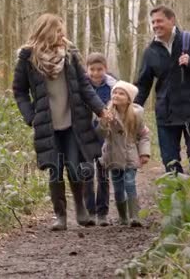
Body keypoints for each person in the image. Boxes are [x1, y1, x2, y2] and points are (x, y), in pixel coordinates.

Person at [12, 13, 110, 231]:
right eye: (58, 30)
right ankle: (60, 216)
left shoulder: (70, 54)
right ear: (46, 31)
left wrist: (101, 110)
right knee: (55, 170)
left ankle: (81, 208)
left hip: (73, 123)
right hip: (48, 124)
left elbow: (85, 87)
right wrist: (30, 116)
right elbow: (19, 91)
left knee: (75, 168)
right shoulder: (28, 58)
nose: (62, 34)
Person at [134, 5, 190, 173]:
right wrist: (134, 109)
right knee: (170, 164)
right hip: (166, 116)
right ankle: (176, 197)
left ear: (171, 20)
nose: (155, 25)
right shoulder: (150, 51)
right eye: (153, 22)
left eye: (159, 20)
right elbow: (143, 84)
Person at [96, 81, 150, 226]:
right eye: (115, 92)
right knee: (118, 187)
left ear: (129, 98)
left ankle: (134, 216)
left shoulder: (136, 115)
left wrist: (144, 153)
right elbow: (101, 134)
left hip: (129, 155)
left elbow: (144, 135)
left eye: (121, 93)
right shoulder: (107, 112)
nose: (116, 96)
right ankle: (123, 216)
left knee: (130, 182)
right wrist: (103, 122)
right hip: (113, 156)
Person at [84, 53, 117, 226]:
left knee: (103, 173)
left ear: (105, 69)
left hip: (104, 133)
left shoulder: (113, 85)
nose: (96, 73)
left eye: (100, 69)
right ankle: (90, 212)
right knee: (87, 172)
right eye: (92, 69)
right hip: (86, 133)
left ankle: (102, 212)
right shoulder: (82, 84)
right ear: (87, 69)